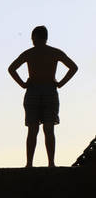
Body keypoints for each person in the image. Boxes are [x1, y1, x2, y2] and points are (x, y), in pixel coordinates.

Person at [8, 25, 78, 168]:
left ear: (34, 38)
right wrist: (60, 83)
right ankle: (51, 163)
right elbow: (73, 67)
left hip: (33, 90)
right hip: (49, 90)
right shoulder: (54, 52)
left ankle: (29, 163)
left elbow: (11, 68)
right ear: (46, 38)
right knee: (49, 129)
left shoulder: (29, 53)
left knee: (32, 129)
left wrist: (23, 84)